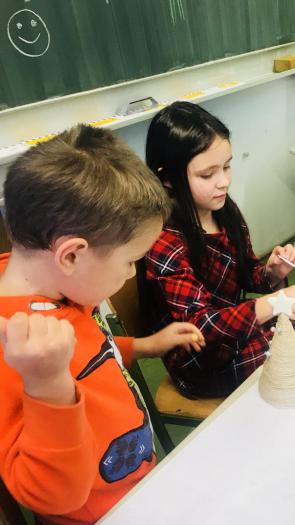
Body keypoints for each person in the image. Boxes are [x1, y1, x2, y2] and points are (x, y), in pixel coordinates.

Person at [0, 125, 204, 525]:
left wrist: (143, 346)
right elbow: (50, 496)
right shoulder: (18, 347)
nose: (130, 274)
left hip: (137, 486)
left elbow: (90, 352)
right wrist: (47, 385)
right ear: (71, 256)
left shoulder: (61, 290)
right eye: (130, 261)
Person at [141, 101, 295, 399]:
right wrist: (274, 302)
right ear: (167, 178)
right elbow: (201, 326)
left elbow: (247, 273)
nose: (223, 182)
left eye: (226, 167)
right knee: (288, 351)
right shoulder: (164, 241)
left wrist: (272, 273)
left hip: (233, 336)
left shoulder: (224, 211)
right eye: (207, 175)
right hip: (200, 362)